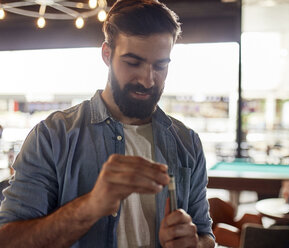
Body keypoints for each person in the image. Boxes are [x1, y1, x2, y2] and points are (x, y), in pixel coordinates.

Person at [0, 0, 215, 247]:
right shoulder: (51, 136)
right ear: (107, 54)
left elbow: (205, 233)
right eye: (132, 62)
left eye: (160, 65)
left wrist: (194, 243)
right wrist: (92, 206)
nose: (147, 80)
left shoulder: (187, 142)